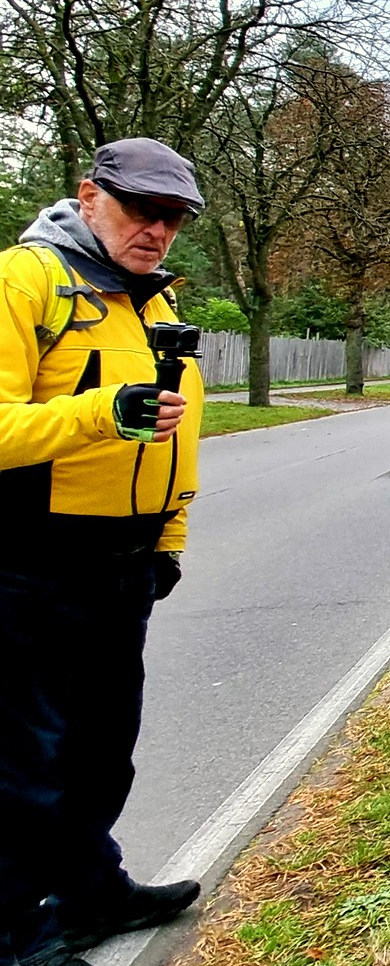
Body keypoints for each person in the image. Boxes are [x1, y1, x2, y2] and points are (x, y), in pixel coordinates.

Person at [0, 140, 209, 966]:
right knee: (23, 761)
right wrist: (98, 413)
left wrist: (170, 538)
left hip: (122, 565)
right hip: (28, 563)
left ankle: (90, 887)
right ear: (90, 197)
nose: (157, 230)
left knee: (100, 748)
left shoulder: (152, 304)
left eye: (173, 218)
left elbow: (177, 437)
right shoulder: (26, 280)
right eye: (141, 210)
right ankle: (17, 935)